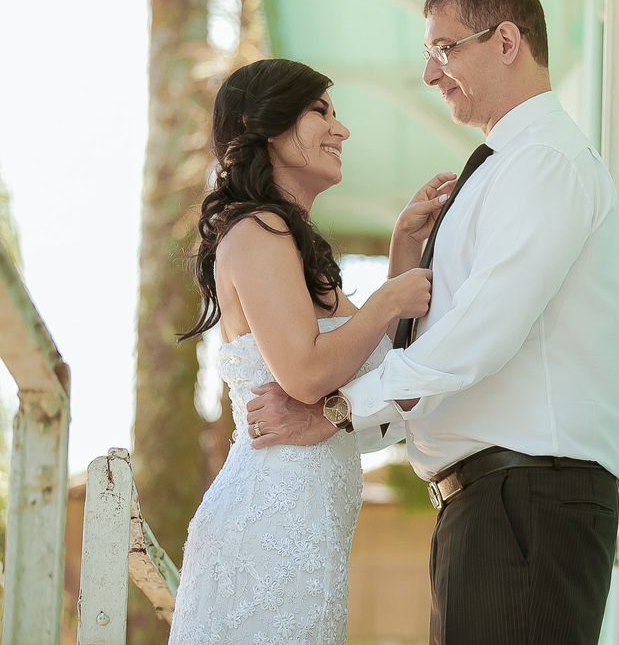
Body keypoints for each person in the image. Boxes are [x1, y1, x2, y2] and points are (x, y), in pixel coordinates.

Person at [252, 0, 619, 644]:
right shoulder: (502, 169)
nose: (430, 74)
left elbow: (482, 335)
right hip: (493, 510)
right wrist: (352, 420)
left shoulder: (545, 161)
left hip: (527, 505)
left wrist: (337, 410)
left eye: (443, 47)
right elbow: (438, 357)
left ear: (507, 42)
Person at [168, 58, 455, 644]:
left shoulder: (293, 249)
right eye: (320, 111)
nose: (340, 129)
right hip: (267, 531)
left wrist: (404, 246)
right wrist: (382, 301)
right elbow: (304, 373)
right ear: (262, 125)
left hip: (308, 534)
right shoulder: (256, 233)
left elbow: (385, 371)